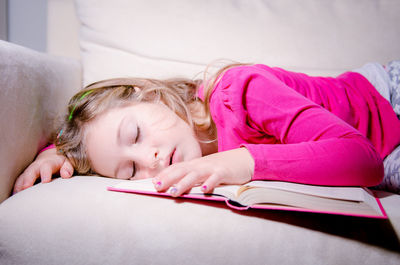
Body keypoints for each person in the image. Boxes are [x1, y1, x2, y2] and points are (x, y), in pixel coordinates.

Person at [13, 61, 400, 196]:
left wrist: (240, 162)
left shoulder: (241, 90)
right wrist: (58, 153)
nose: (149, 159)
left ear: (149, 94)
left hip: (389, 108)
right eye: (130, 170)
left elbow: (363, 159)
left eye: (134, 135)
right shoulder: (187, 153)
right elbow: (97, 140)